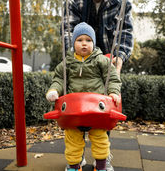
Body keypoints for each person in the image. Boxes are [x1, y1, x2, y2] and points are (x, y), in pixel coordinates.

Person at [46, 22, 121, 171]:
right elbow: (59, 78)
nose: (84, 44)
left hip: (96, 109)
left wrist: (113, 92)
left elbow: (111, 77)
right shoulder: (67, 62)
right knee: (72, 138)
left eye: (88, 40)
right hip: (74, 109)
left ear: (93, 43)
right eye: (79, 40)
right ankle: (74, 165)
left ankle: (101, 165)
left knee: (100, 137)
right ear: (74, 43)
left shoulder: (102, 60)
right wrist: (54, 89)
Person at [62, 0, 133, 76]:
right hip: (80, 61)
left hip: (108, 62)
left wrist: (120, 56)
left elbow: (125, 32)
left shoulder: (121, 2)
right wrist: (73, 59)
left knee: (111, 92)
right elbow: (67, 32)